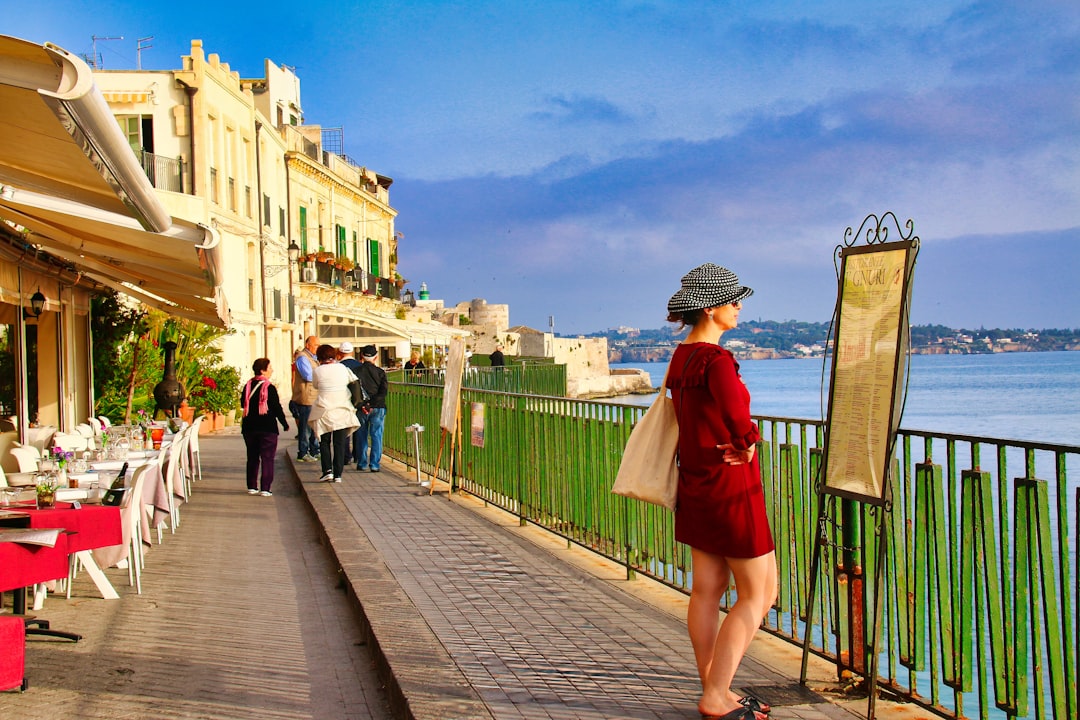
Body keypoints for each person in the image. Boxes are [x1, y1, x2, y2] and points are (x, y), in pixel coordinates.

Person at [665, 263, 777, 720]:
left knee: (707, 590)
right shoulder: (716, 361)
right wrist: (749, 442)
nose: (739, 307)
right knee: (759, 594)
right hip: (731, 487)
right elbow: (737, 420)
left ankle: (716, 687)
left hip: (695, 483)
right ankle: (715, 695)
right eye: (733, 300)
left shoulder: (680, 357)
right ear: (710, 308)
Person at [308, 344, 361, 483]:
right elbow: (354, 381)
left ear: (320, 357)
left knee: (324, 442)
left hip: (324, 410)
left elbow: (316, 385)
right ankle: (338, 474)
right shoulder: (342, 368)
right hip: (342, 409)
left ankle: (327, 471)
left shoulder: (317, 371)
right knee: (339, 443)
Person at [240, 358, 289, 496]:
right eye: (269, 368)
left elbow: (243, 403)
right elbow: (276, 407)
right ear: (263, 370)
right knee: (267, 458)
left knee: (252, 457)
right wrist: (284, 423)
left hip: (249, 427)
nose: (272, 370)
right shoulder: (269, 387)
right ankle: (265, 488)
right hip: (267, 427)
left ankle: (252, 486)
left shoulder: (248, 386)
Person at [353, 344, 388, 472]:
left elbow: (353, 391)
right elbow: (383, 392)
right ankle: (374, 464)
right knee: (376, 435)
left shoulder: (355, 372)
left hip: (361, 408)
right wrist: (372, 404)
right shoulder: (380, 372)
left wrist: (363, 404)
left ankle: (362, 462)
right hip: (377, 407)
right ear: (376, 357)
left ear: (361, 356)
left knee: (361, 435)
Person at [290, 335, 321, 462]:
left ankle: (314, 450)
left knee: (313, 426)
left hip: (313, 397)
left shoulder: (314, 358)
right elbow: (308, 376)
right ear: (308, 345)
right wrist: (321, 376)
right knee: (306, 427)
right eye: (316, 345)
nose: (318, 347)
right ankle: (303, 452)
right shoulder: (302, 357)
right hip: (306, 397)